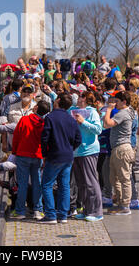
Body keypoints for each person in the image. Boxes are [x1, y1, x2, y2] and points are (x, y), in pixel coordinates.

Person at [39, 93, 82, 224]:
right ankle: (63, 214)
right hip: (67, 156)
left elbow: (44, 138)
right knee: (64, 186)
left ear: (57, 100)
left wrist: (44, 154)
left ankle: (51, 214)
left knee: (46, 184)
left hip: (54, 155)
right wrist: (70, 148)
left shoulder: (50, 117)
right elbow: (78, 139)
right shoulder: (71, 119)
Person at [11, 100, 51, 220]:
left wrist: (14, 151)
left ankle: (20, 211)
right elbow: (46, 141)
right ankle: (38, 210)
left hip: (23, 154)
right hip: (37, 155)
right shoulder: (44, 124)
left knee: (22, 184)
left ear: (36, 108)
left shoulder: (24, 120)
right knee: (36, 183)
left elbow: (16, 136)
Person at [70, 92, 103, 222]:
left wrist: (83, 122)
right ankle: (86, 209)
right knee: (81, 183)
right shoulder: (74, 111)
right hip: (77, 151)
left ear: (85, 100)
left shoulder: (92, 112)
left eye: (80, 98)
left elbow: (98, 129)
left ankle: (97, 212)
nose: (77, 99)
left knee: (91, 182)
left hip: (89, 150)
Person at [104, 91, 136, 216]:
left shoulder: (123, 113)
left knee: (123, 178)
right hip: (118, 148)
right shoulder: (129, 111)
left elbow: (107, 124)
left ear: (124, 102)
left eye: (117, 101)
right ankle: (120, 202)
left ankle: (125, 205)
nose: (114, 103)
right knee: (114, 178)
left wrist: (108, 109)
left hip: (122, 148)